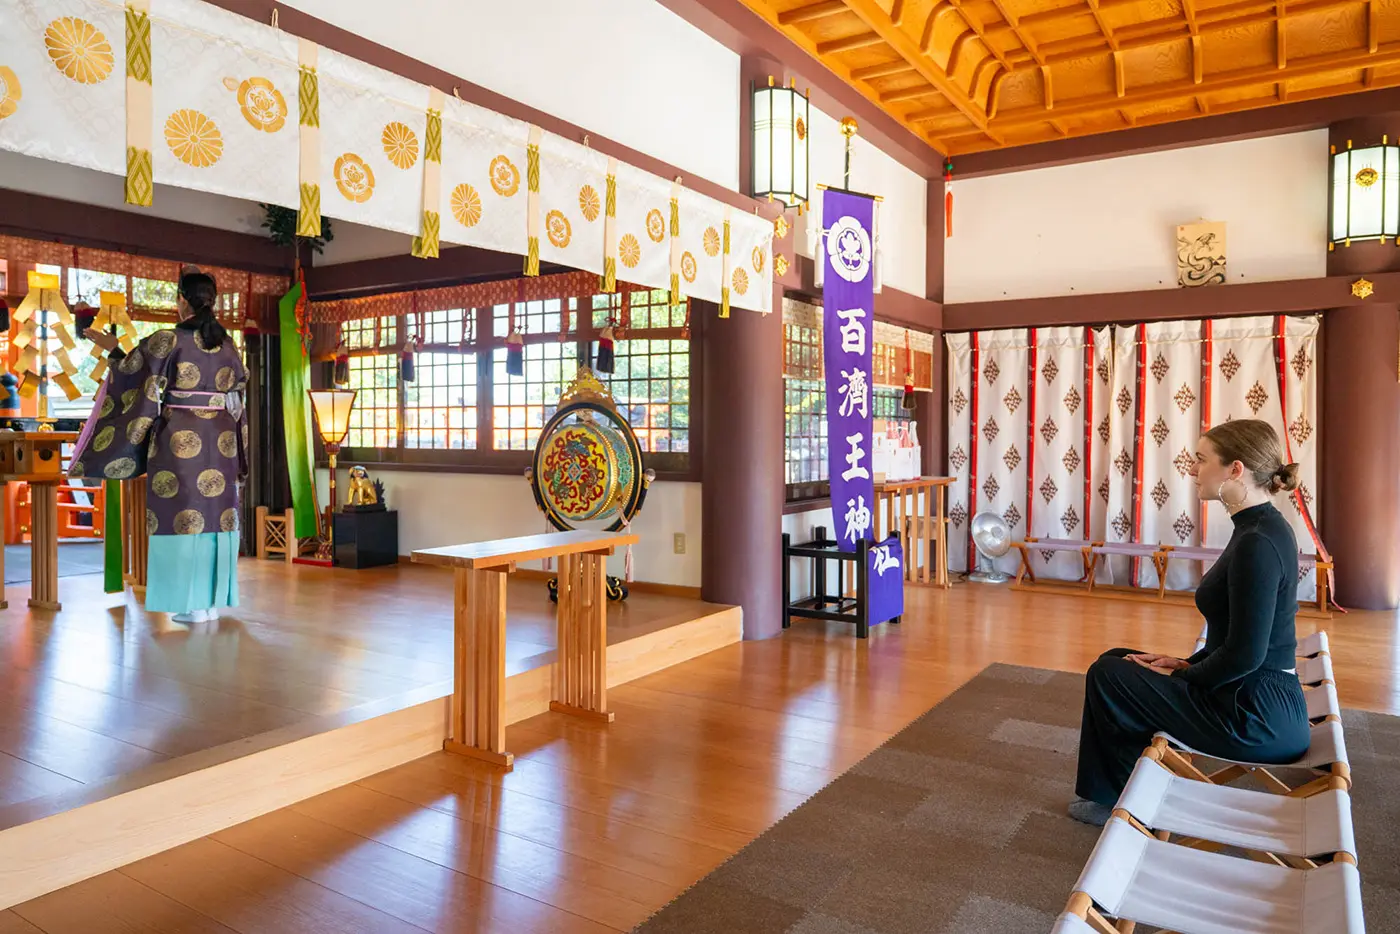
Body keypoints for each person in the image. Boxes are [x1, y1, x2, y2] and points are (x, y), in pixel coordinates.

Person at [1068, 418, 1311, 825]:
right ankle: (1124, 788)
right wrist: (1183, 664)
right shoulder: (1256, 526)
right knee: (1119, 659)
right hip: (1248, 697)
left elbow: (1247, 654)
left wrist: (1183, 676)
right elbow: (1240, 645)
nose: (1193, 469)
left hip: (1254, 718)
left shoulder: (1257, 542)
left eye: (1201, 460)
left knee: (1108, 675)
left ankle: (1120, 798)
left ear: (1236, 470)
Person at [70, 271, 248, 624]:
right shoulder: (226, 343)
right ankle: (210, 603)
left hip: (182, 437)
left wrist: (111, 349)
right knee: (215, 518)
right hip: (222, 438)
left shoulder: (170, 339)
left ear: (182, 300)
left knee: (182, 516)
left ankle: (189, 604)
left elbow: (135, 375)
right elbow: (238, 390)